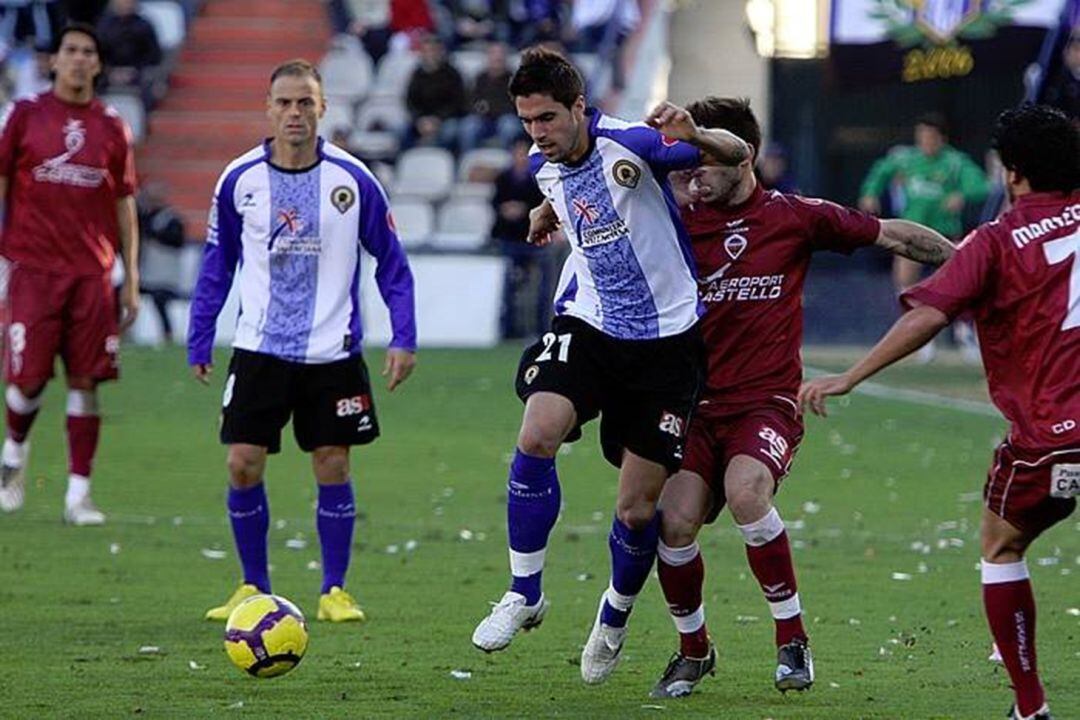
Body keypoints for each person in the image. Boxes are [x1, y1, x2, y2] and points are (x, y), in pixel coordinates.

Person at [643, 97, 955, 699]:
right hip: (690, 405)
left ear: (744, 157)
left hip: (765, 401)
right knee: (672, 524)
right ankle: (693, 650)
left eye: (707, 158)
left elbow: (894, 235)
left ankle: (792, 640)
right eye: (689, 159)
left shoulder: (795, 217)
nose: (695, 170)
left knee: (746, 494)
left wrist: (970, 262)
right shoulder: (676, 219)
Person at [469, 46, 752, 684]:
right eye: (526, 122)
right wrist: (547, 213)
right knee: (538, 431)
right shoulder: (545, 168)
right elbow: (565, 198)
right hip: (590, 325)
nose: (536, 133)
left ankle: (614, 614)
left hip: (666, 345)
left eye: (546, 118)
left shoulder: (630, 142)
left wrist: (695, 133)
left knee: (634, 511)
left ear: (578, 106)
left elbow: (733, 156)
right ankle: (523, 591)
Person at [800, 104, 1079, 720]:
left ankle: (1030, 708)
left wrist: (850, 375)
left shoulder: (997, 241)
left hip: (1053, 435)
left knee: (1002, 546)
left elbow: (928, 315)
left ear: (1011, 173)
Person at [187, 59, 417, 623]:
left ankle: (334, 589)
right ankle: (252, 585)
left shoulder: (353, 180)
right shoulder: (239, 180)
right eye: (285, 103)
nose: (295, 113)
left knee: (333, 463)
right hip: (259, 347)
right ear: (268, 109)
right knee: (242, 463)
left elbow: (391, 264)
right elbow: (217, 264)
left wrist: (403, 336)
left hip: (332, 352)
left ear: (323, 109)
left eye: (305, 103)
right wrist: (199, 337)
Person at [0, 23, 139, 524]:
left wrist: (133, 278)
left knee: (86, 381)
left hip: (93, 274)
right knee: (29, 379)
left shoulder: (112, 126)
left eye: (88, 52)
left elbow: (125, 204)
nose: (79, 59)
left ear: (98, 65)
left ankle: (78, 496)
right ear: (54, 61)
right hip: (32, 269)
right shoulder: (24, 116)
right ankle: (13, 453)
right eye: (71, 51)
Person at [859, 113, 988, 360]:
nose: (925, 142)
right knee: (905, 282)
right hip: (912, 233)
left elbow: (981, 185)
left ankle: (965, 332)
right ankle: (917, 339)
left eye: (930, 137)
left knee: (961, 286)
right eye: (921, 136)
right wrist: (870, 193)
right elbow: (879, 172)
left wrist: (961, 194)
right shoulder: (907, 159)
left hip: (945, 235)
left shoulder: (955, 162)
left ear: (942, 139)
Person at [493, 137, 550, 339]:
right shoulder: (503, 177)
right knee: (509, 290)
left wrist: (523, 210)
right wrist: (505, 210)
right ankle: (509, 330)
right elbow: (495, 203)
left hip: (535, 239)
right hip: (510, 238)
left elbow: (544, 203)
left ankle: (540, 329)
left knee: (540, 290)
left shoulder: (539, 178)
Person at [403, 33, 466, 151]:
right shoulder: (416, 74)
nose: (430, 54)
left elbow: (457, 103)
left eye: (433, 50)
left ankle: (443, 162)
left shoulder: (452, 74)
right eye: (426, 51)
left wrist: (437, 120)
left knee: (450, 131)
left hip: (446, 119)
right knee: (401, 129)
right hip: (421, 119)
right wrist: (420, 120)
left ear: (441, 52)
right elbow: (410, 101)